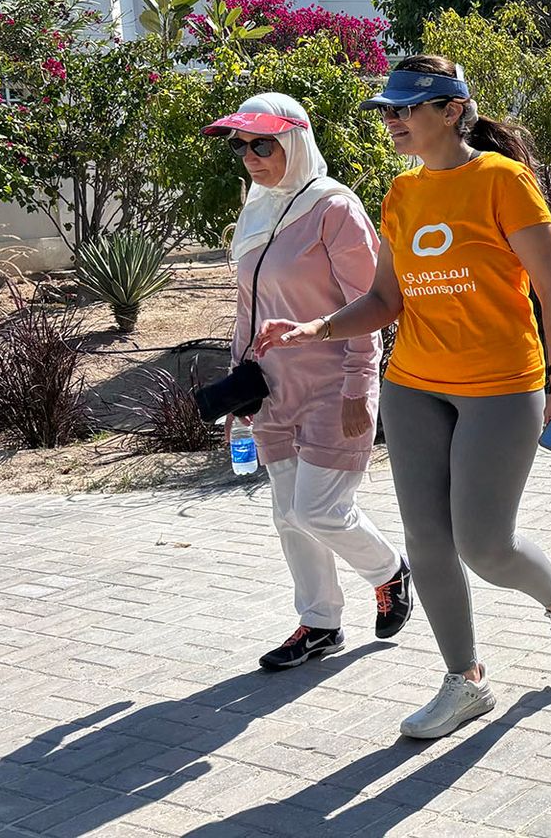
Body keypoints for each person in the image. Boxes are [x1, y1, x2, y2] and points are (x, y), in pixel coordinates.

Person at [255, 55, 551, 740]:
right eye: (387, 110)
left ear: (452, 111)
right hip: (414, 383)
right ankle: (464, 681)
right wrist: (314, 328)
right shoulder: (403, 193)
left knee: (485, 543)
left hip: (501, 387)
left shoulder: (503, 181)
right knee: (429, 540)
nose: (393, 121)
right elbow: (386, 298)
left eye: (406, 108)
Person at [205, 93, 411, 673]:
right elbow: (246, 310)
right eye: (240, 145)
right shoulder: (255, 210)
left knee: (319, 509)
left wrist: (357, 389)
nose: (249, 155)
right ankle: (319, 623)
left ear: (294, 141)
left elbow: (370, 305)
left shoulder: (333, 208)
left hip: (331, 385)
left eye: (262, 143)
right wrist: (237, 386)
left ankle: (390, 571)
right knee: (287, 513)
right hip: (271, 387)